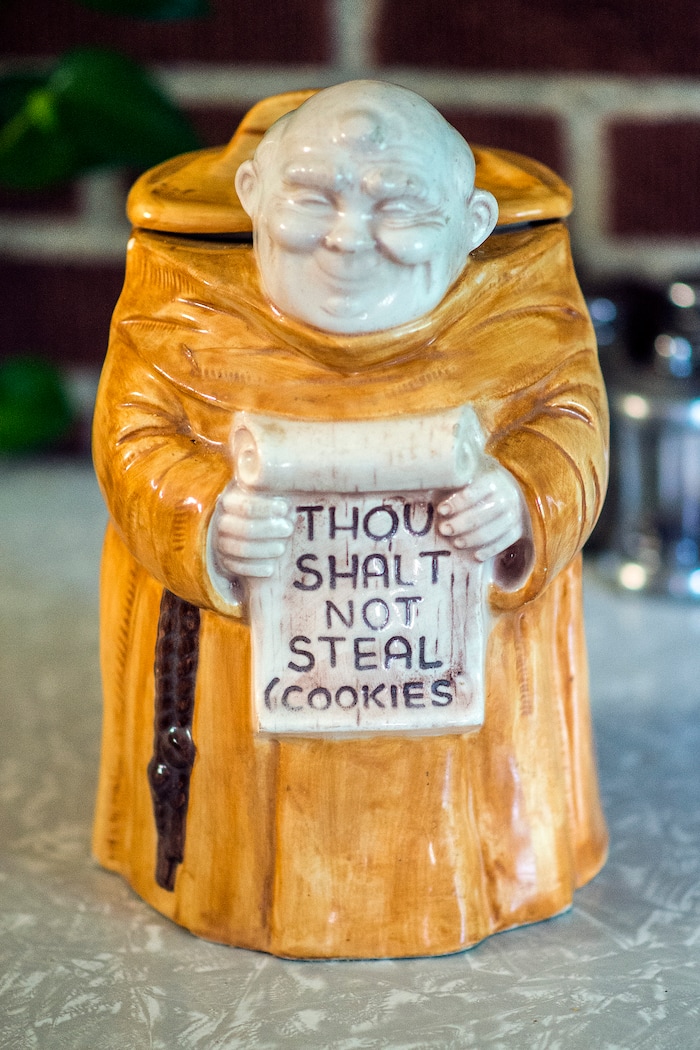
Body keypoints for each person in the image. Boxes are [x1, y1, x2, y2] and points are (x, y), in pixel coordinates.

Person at [92, 80, 609, 958]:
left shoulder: (518, 302)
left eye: (398, 208)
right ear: (251, 193)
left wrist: (524, 496)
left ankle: (492, 871)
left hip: (468, 745)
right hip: (232, 730)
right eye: (311, 199)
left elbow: (572, 423)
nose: (346, 239)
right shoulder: (186, 296)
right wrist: (203, 517)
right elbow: (131, 436)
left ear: (474, 224)